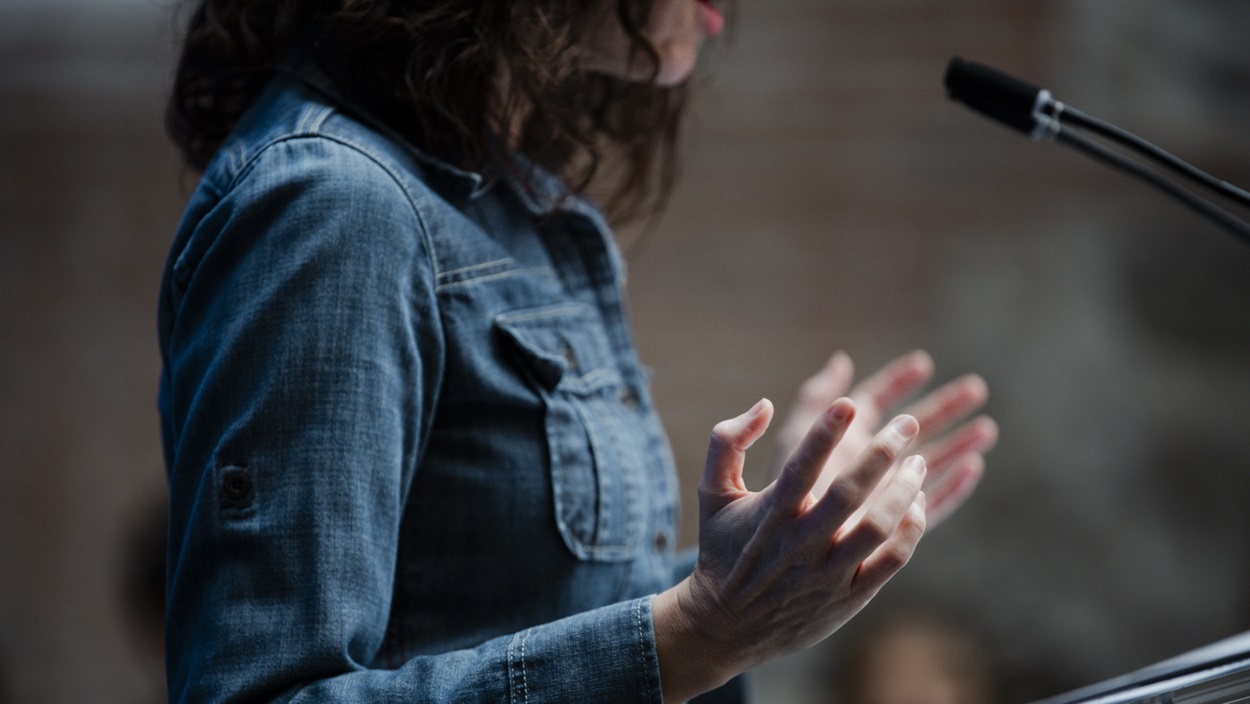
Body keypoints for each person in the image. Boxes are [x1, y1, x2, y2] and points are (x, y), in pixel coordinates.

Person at [158, 1, 999, 702]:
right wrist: (700, 634)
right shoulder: (334, 204)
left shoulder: (491, 197)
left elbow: (521, 613)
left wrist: (776, 549)